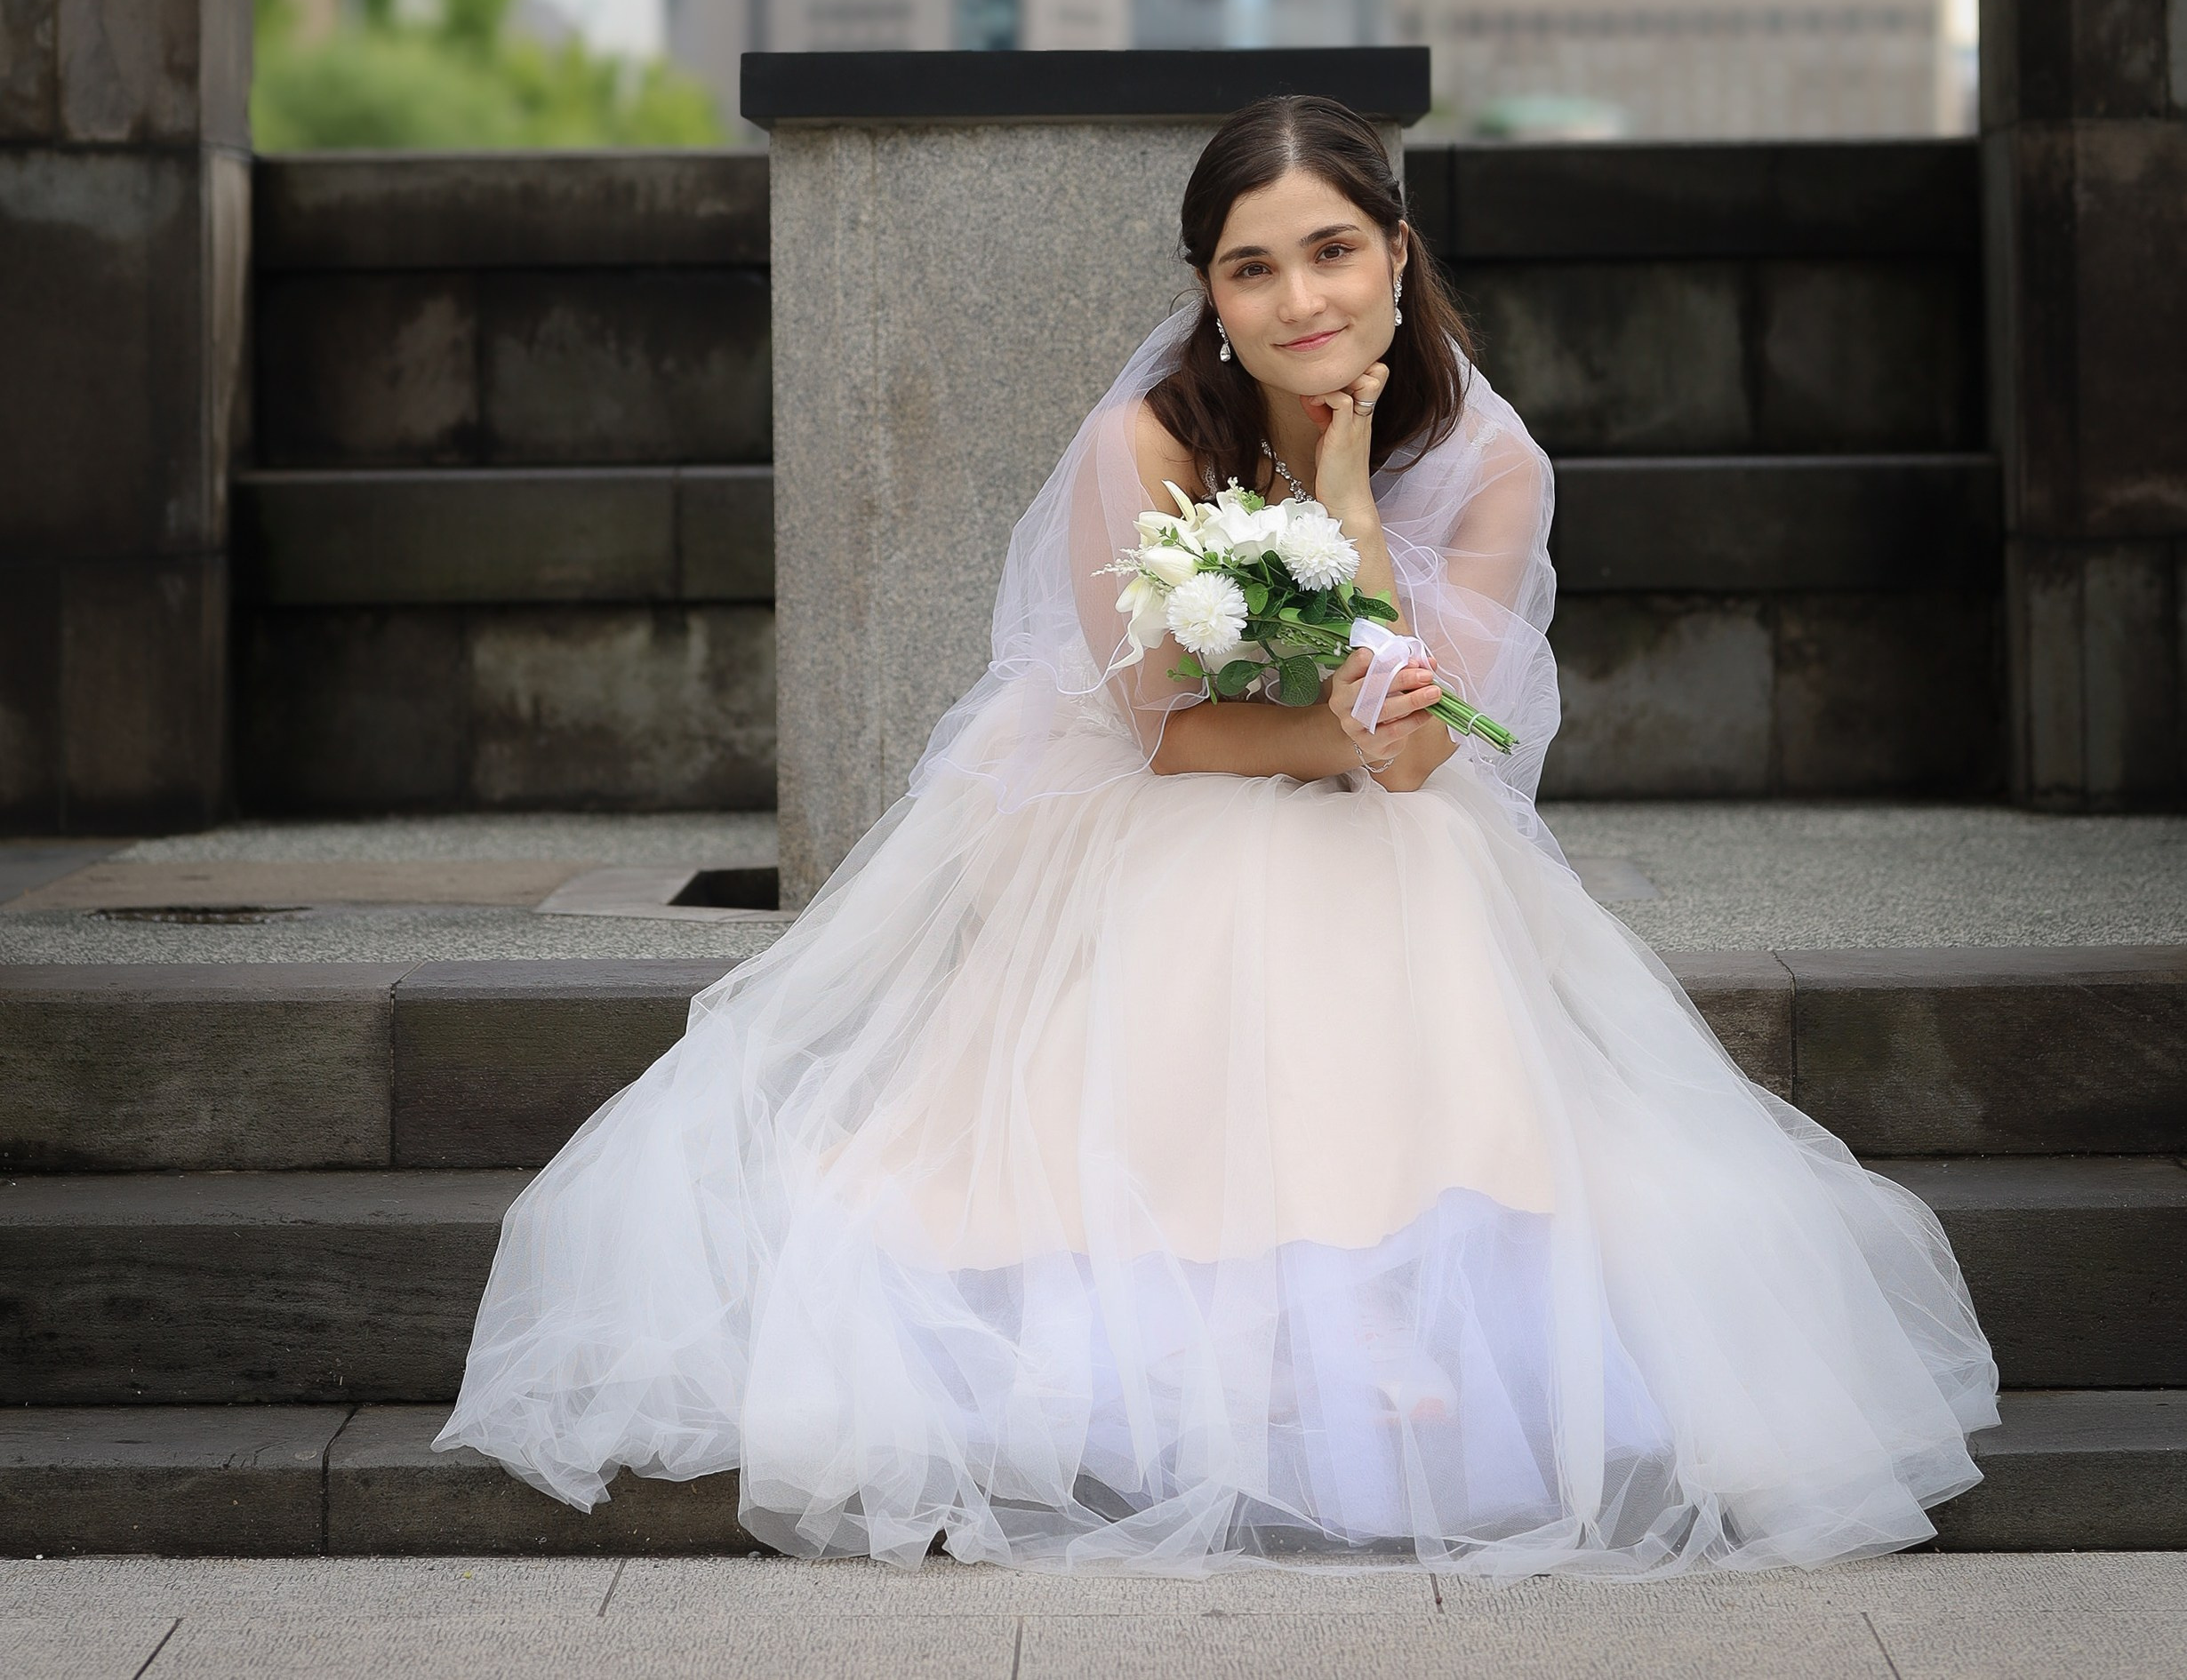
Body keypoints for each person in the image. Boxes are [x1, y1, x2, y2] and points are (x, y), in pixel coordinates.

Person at [438, 92, 1998, 1572]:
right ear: (1211, 291)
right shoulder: (1149, 440)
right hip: (1157, 789)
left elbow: (1418, 753)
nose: (1299, 299)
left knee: (1398, 852)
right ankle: (1255, 1304)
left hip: (1382, 792)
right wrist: (1332, 733)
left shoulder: (1495, 462)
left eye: (1333, 251)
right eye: (1253, 268)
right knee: (1260, 857)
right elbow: (1169, 734)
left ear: (1398, 253)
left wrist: (1350, 504)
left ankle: (1386, 1277)